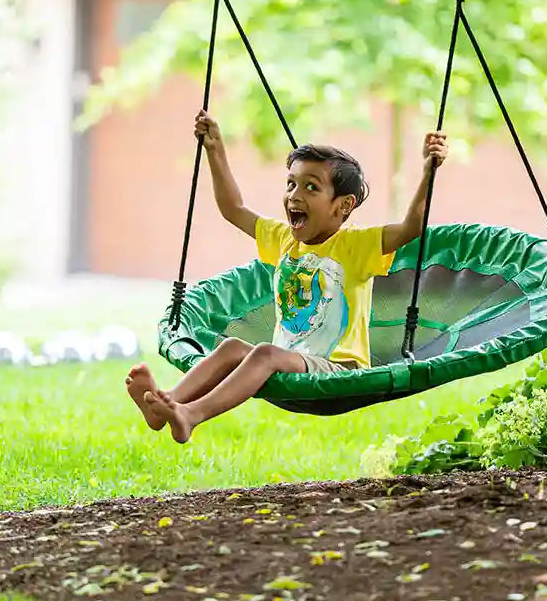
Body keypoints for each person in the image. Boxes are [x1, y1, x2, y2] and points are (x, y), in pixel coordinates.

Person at [126, 109, 449, 443]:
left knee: (263, 353)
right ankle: (166, 403)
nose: (295, 195)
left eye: (311, 187)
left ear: (342, 206)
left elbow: (412, 227)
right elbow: (233, 208)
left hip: (338, 370)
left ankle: (191, 415)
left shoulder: (356, 245)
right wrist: (215, 149)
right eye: (291, 184)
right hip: (290, 361)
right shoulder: (283, 239)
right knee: (233, 347)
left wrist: (428, 171)